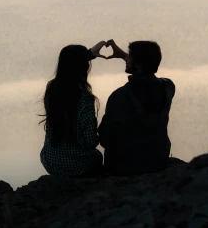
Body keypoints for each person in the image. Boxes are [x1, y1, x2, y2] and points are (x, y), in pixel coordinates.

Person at [98, 40, 175, 176]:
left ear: (138, 65)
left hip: (125, 167)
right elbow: (148, 75)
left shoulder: (119, 96)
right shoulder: (168, 88)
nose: (127, 59)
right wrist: (123, 55)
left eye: (130, 57)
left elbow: (105, 138)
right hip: (157, 161)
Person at [40, 42, 107, 177]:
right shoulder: (85, 98)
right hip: (79, 167)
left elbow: (70, 64)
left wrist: (89, 54)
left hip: (51, 162)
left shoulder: (51, 88)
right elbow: (90, 142)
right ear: (84, 67)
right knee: (98, 156)